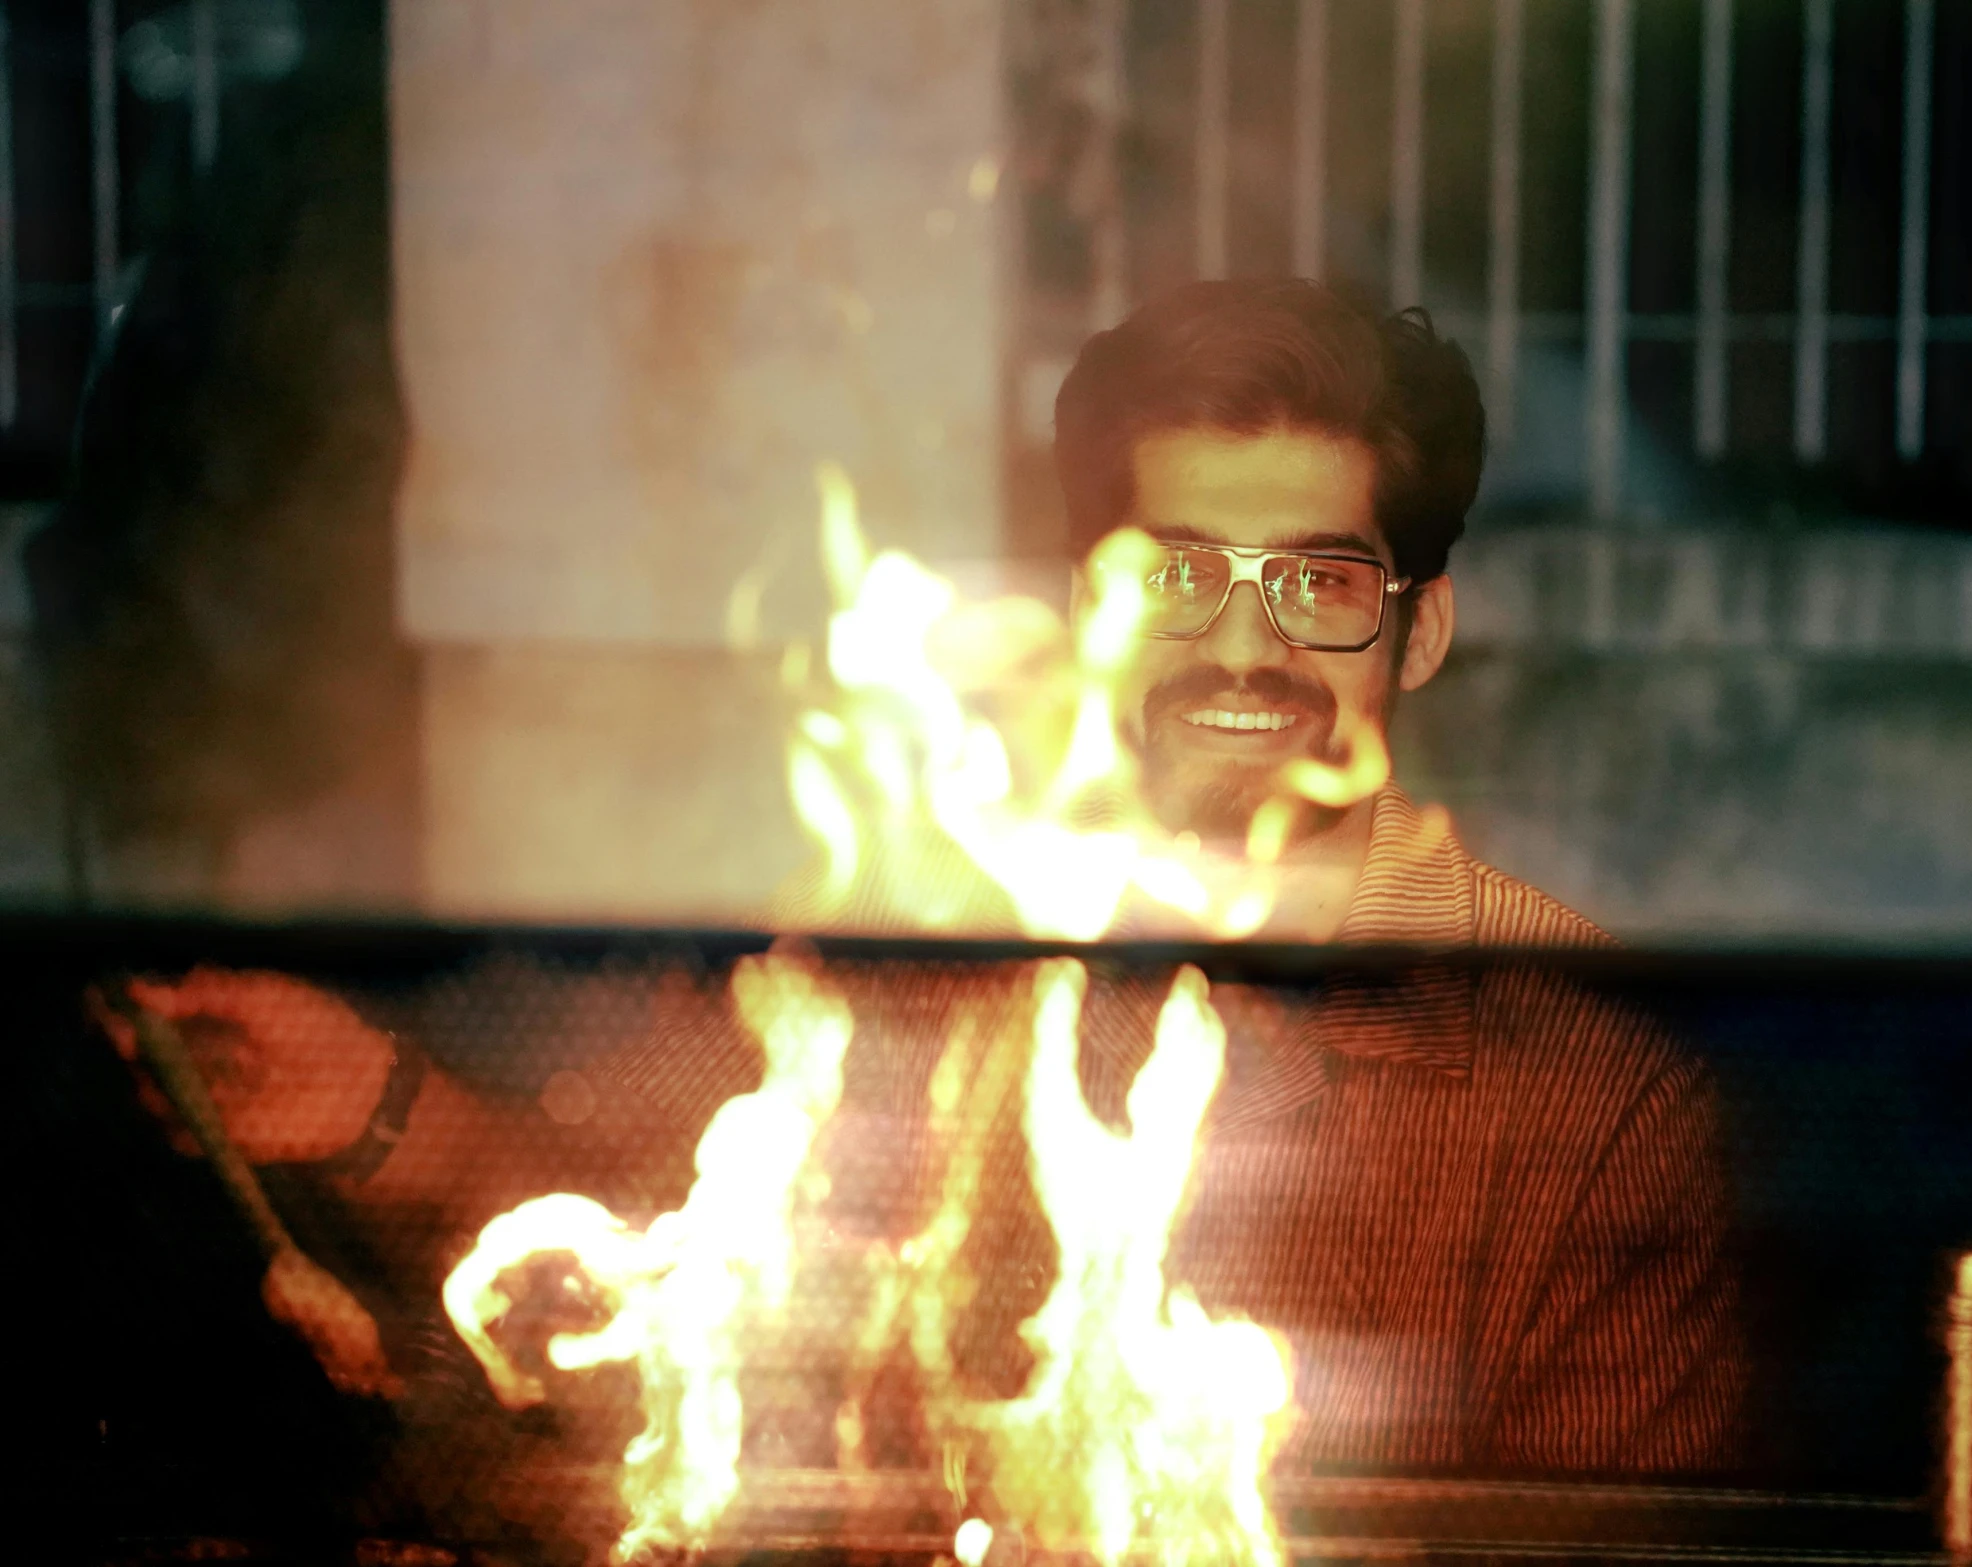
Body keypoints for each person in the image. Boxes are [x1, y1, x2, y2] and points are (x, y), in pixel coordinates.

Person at [105, 280, 1743, 1477]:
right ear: (1088, 601)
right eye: (1174, 575)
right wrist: (369, 1101)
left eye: (1317, 582)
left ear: (1418, 626)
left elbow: (1615, 1527)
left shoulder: (1586, 1078)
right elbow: (627, 1222)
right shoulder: (937, 915)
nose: (1242, 648)